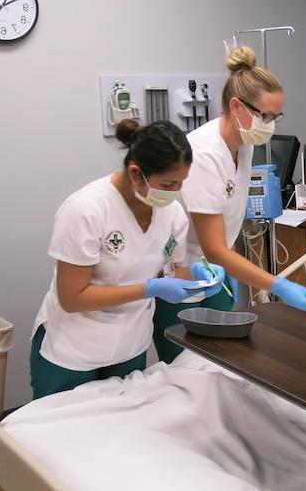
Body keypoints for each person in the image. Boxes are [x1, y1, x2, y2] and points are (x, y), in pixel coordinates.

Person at [152, 46, 306, 364]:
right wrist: (278, 284)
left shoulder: (243, 145)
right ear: (236, 106)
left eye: (276, 116)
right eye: (265, 115)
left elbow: (227, 222)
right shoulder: (203, 154)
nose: (271, 124)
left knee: (221, 369)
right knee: (187, 377)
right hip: (182, 279)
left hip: (212, 276)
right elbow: (215, 248)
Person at [30, 120, 225, 400]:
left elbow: (172, 273)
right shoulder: (86, 210)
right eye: (168, 184)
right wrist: (148, 289)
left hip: (129, 350)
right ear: (136, 174)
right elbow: (72, 298)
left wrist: (198, 274)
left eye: (181, 183)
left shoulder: (172, 214)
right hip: (73, 353)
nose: (175, 192)